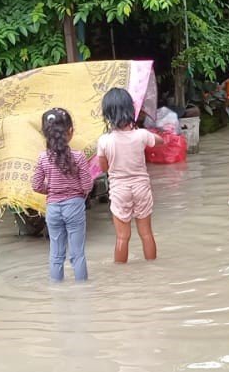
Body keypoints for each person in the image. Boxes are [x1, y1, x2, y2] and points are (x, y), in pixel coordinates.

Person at [95, 87, 162, 263]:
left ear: (107, 115)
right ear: (131, 110)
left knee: (122, 237)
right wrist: (145, 132)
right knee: (146, 234)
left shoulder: (104, 141)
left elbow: (103, 168)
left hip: (119, 190)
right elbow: (160, 142)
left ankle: (120, 276)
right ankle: (153, 269)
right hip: (141, 188)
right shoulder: (141, 135)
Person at [31, 107, 95, 282]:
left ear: (45, 134)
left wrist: (51, 189)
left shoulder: (43, 158)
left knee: (56, 254)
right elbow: (87, 184)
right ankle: (82, 291)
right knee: (77, 254)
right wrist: (78, 193)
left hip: (53, 209)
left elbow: (36, 185)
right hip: (75, 206)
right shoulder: (79, 157)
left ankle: (56, 292)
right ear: (71, 132)